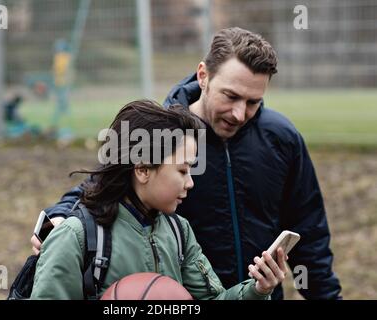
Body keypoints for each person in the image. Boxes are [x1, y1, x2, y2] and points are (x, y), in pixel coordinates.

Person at [32, 27, 342, 299]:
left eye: (252, 102)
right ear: (203, 75)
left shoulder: (282, 138)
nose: (239, 113)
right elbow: (104, 183)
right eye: (230, 96)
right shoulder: (165, 132)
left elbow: (309, 229)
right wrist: (59, 218)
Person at [30, 99, 288, 300]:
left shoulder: (179, 232)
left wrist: (257, 289)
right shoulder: (77, 236)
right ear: (142, 170)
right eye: (182, 170)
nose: (190, 183)